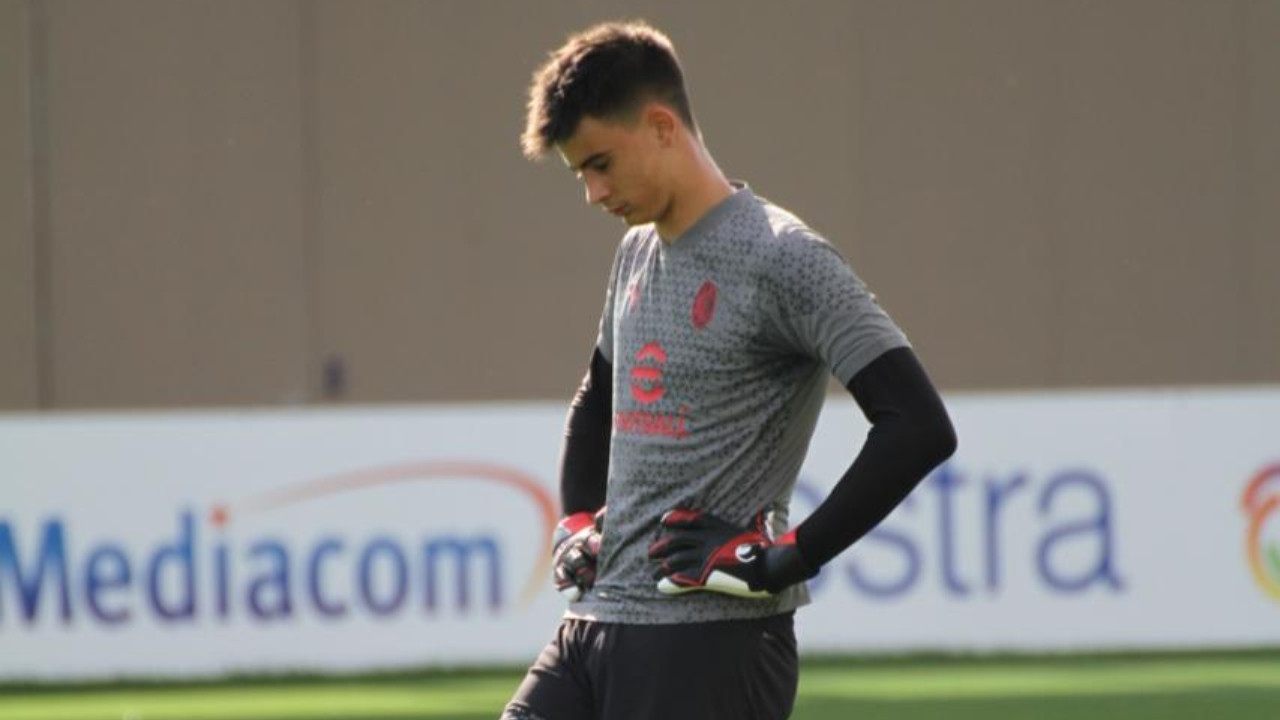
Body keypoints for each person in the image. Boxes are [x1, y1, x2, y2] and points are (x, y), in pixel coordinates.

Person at [504, 20, 957, 720]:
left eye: (601, 164)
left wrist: (786, 558)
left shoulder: (785, 257)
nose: (593, 192)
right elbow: (597, 399)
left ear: (661, 126)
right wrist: (576, 520)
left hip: (711, 644)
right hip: (595, 624)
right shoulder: (634, 252)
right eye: (580, 174)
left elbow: (918, 426)